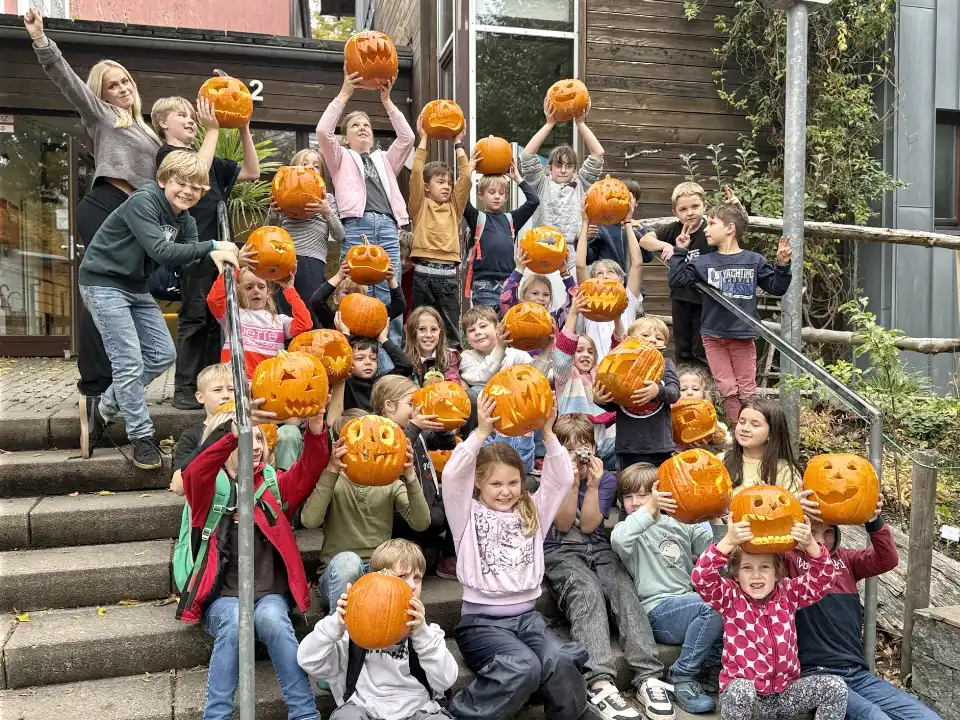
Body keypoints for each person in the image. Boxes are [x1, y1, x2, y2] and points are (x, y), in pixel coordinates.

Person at [24, 7, 163, 438]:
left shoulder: (147, 130)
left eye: (125, 81)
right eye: (112, 84)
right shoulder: (104, 116)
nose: (122, 88)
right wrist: (42, 42)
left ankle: (107, 401)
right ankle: (94, 387)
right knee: (103, 293)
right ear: (101, 93)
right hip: (105, 205)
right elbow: (67, 82)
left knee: (132, 294)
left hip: (137, 215)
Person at [77, 151, 239, 469]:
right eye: (181, 183)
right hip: (102, 282)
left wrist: (221, 260)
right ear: (164, 180)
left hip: (135, 285)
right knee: (128, 362)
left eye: (196, 187)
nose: (188, 191)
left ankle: (102, 408)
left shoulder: (185, 220)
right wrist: (211, 247)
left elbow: (188, 260)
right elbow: (162, 250)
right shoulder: (144, 201)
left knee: (163, 354)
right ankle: (142, 437)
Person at [442, 396, 591, 720]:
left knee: (560, 661)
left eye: (513, 482)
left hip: (528, 620)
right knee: (523, 667)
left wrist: (549, 435)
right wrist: (480, 432)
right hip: (481, 625)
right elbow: (453, 476)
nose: (506, 490)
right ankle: (463, 713)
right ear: (479, 482)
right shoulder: (465, 513)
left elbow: (562, 480)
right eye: (496, 483)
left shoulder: (533, 511)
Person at [177, 404, 330, 720]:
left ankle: (305, 714)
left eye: (259, 438)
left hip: (268, 595)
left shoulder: (272, 483)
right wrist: (234, 431)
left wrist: (316, 430)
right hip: (221, 599)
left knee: (273, 618)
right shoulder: (208, 488)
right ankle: (216, 716)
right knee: (235, 620)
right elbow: (195, 470)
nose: (256, 445)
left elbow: (309, 471)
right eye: (248, 438)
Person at [547, 416, 672, 720]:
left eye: (584, 446)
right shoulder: (548, 479)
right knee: (586, 590)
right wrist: (571, 481)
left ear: (593, 448)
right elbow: (563, 524)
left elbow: (590, 525)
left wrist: (590, 485)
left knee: (622, 585)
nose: (579, 455)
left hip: (597, 545)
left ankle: (649, 675)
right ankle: (599, 680)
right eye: (569, 449)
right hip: (560, 551)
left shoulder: (607, 479)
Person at [150, 96, 261, 409]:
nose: (190, 120)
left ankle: (210, 387)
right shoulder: (169, 154)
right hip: (195, 247)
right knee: (195, 316)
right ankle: (185, 387)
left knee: (216, 320)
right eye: (181, 115)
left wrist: (244, 129)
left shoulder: (207, 157)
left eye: (191, 115)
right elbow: (195, 173)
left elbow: (252, 172)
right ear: (163, 123)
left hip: (221, 249)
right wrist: (212, 131)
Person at [690, 516, 846, 720]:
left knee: (836, 687)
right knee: (740, 690)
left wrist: (810, 544)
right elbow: (701, 578)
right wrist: (728, 541)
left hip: (785, 696)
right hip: (747, 699)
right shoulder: (730, 597)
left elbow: (824, 579)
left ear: (777, 573)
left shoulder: (789, 594)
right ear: (736, 575)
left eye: (764, 567)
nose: (756, 575)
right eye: (747, 568)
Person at [790, 503, 937, 720]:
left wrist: (872, 519)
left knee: (927, 718)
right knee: (876, 717)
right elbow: (760, 547)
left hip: (857, 674)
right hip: (815, 675)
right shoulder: (787, 560)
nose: (821, 540)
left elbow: (887, 559)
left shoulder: (847, 560)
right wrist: (793, 510)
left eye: (829, 531)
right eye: (812, 531)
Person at [297, 539, 459, 720]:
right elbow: (308, 661)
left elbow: (446, 680)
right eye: (402, 577)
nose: (412, 585)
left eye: (417, 578)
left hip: (418, 711)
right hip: (366, 710)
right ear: (377, 582)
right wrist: (337, 622)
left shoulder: (429, 635)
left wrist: (421, 633)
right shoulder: (352, 637)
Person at [667, 201, 792, 424]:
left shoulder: (753, 260)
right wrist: (680, 251)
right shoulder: (703, 262)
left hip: (742, 336)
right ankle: (738, 432)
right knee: (727, 388)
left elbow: (777, 287)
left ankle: (752, 429)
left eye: (712, 223)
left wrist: (782, 265)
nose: (705, 228)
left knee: (746, 389)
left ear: (730, 228)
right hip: (713, 336)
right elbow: (677, 281)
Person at [611, 462, 720, 714]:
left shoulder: (680, 524)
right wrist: (650, 506)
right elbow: (619, 539)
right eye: (628, 497)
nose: (635, 502)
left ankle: (710, 669)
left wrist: (715, 515)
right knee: (713, 605)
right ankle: (682, 677)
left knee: (729, 600)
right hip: (657, 612)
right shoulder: (628, 531)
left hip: (689, 604)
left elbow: (714, 550)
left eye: (643, 494)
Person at [316, 66, 414, 343]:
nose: (362, 129)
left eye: (366, 126)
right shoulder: (340, 158)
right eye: (355, 126)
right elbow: (323, 130)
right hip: (357, 225)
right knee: (358, 287)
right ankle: (359, 352)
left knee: (387, 290)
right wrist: (345, 93)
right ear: (345, 137)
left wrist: (387, 102)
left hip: (387, 226)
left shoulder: (385, 160)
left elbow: (408, 138)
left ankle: (389, 355)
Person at [300, 413, 431, 613]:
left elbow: (421, 523)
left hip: (379, 571)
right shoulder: (333, 481)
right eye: (360, 438)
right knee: (348, 562)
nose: (371, 448)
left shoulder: (391, 483)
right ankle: (340, 632)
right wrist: (331, 470)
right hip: (336, 573)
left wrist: (410, 475)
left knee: (398, 570)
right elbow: (309, 521)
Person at [370, 375, 457, 577]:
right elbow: (394, 454)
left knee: (459, 498)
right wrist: (414, 427)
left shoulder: (419, 431)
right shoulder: (380, 432)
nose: (417, 409)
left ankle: (449, 556)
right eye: (411, 403)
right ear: (390, 406)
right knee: (436, 517)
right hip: (400, 513)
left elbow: (446, 444)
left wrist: (443, 423)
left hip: (426, 502)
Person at [520, 97, 605, 274]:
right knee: (542, 298)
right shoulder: (541, 184)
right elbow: (527, 155)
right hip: (542, 249)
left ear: (575, 169)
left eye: (569, 166)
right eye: (559, 165)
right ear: (550, 168)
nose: (564, 170)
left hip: (572, 253)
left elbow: (598, 153)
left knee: (573, 299)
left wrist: (580, 123)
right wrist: (549, 124)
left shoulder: (581, 183)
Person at [409, 116, 474, 347]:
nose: (447, 186)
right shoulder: (420, 205)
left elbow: (466, 177)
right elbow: (416, 172)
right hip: (423, 276)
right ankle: (420, 367)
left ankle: (452, 368)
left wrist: (458, 143)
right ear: (427, 187)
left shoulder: (454, 208)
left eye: (448, 182)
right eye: (440, 182)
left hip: (447, 277)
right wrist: (424, 140)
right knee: (420, 326)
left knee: (450, 328)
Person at [638, 182, 718, 367]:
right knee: (682, 348)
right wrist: (666, 246)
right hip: (681, 298)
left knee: (702, 350)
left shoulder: (710, 230)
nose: (689, 212)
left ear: (704, 206)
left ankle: (703, 389)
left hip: (706, 300)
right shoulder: (673, 229)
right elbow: (645, 240)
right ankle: (684, 388)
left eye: (695, 206)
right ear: (675, 212)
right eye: (683, 209)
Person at [266, 148, 344, 325]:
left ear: (321, 175)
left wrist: (327, 212)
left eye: (316, 166)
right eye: (304, 164)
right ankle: (285, 349)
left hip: (312, 261)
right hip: (285, 258)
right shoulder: (282, 195)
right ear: (293, 170)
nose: (310, 168)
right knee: (284, 312)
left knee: (309, 310)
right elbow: (267, 234)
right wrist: (273, 213)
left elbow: (340, 236)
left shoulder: (328, 199)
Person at [595, 317, 680, 470]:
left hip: (659, 445)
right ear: (630, 340)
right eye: (645, 336)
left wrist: (658, 390)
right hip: (628, 446)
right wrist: (600, 400)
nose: (652, 340)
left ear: (665, 345)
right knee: (628, 487)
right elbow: (615, 405)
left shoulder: (666, 364)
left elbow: (674, 394)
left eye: (659, 338)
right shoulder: (621, 362)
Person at [207, 265, 311, 379]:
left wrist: (289, 289)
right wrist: (234, 268)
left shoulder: (279, 321)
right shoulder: (232, 314)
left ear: (268, 292)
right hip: (236, 382)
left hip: (267, 382)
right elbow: (214, 300)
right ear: (239, 290)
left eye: (261, 287)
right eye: (249, 287)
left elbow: (304, 324)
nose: (256, 291)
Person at [574, 197, 645, 360]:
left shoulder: (628, 298)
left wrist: (627, 223)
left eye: (611, 272)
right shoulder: (589, 298)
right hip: (594, 367)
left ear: (621, 279)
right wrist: (585, 224)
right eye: (599, 273)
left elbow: (637, 263)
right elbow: (580, 265)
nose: (605, 276)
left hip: (624, 363)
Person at [463, 165, 541, 310]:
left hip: (508, 282)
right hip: (484, 285)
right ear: (481, 195)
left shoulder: (511, 219)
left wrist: (517, 178)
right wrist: (469, 172)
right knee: (488, 326)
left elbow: (534, 201)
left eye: (501, 193)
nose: (497, 196)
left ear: (506, 196)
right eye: (492, 192)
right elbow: (463, 200)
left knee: (507, 328)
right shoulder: (477, 218)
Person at [552, 296, 616, 464]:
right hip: (572, 446)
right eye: (579, 350)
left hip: (603, 446)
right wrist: (573, 313)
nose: (586, 354)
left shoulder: (600, 375)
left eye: (590, 351)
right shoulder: (565, 378)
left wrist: (617, 318)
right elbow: (562, 356)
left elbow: (619, 357)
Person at [170, 362, 234, 495]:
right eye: (217, 390)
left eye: (231, 389)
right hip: (208, 503)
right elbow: (178, 487)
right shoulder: (192, 435)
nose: (226, 395)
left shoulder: (251, 428)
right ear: (200, 397)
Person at [722, 398, 803, 494]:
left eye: (755, 425)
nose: (745, 428)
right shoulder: (722, 461)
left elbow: (792, 505)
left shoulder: (785, 471)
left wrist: (798, 504)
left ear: (771, 433)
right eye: (742, 422)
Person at [311, 261, 405, 331]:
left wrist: (391, 280)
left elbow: (399, 305)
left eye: (357, 293)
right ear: (335, 299)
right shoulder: (333, 318)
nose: (352, 297)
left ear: (365, 297)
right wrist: (339, 276)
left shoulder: (373, 317)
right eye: (346, 292)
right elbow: (316, 301)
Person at [674, 366, 731, 451]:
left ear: (704, 394)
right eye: (683, 389)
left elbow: (727, 444)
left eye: (695, 389)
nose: (689, 392)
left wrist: (706, 449)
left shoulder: (712, 422)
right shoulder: (668, 420)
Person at [403, 306, 462, 387]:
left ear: (440, 332)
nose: (428, 335)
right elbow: (405, 389)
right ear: (412, 332)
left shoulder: (450, 356)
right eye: (422, 329)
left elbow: (452, 384)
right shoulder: (405, 360)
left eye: (433, 329)